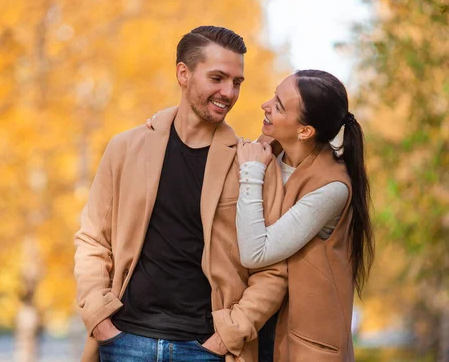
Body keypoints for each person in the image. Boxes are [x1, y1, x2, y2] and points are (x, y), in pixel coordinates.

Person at [74, 26, 288, 362]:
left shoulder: (253, 164)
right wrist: (100, 318)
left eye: (236, 82)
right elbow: (93, 241)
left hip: (208, 349)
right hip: (123, 341)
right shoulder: (125, 148)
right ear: (183, 74)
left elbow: (273, 269)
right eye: (217, 78)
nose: (229, 92)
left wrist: (228, 334)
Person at [235, 70, 375, 361]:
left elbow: (255, 252)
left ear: (304, 131)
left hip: (303, 342)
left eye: (279, 105)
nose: (265, 104)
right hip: (254, 323)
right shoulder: (267, 150)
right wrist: (162, 125)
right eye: (274, 95)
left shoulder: (332, 187)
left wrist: (251, 173)